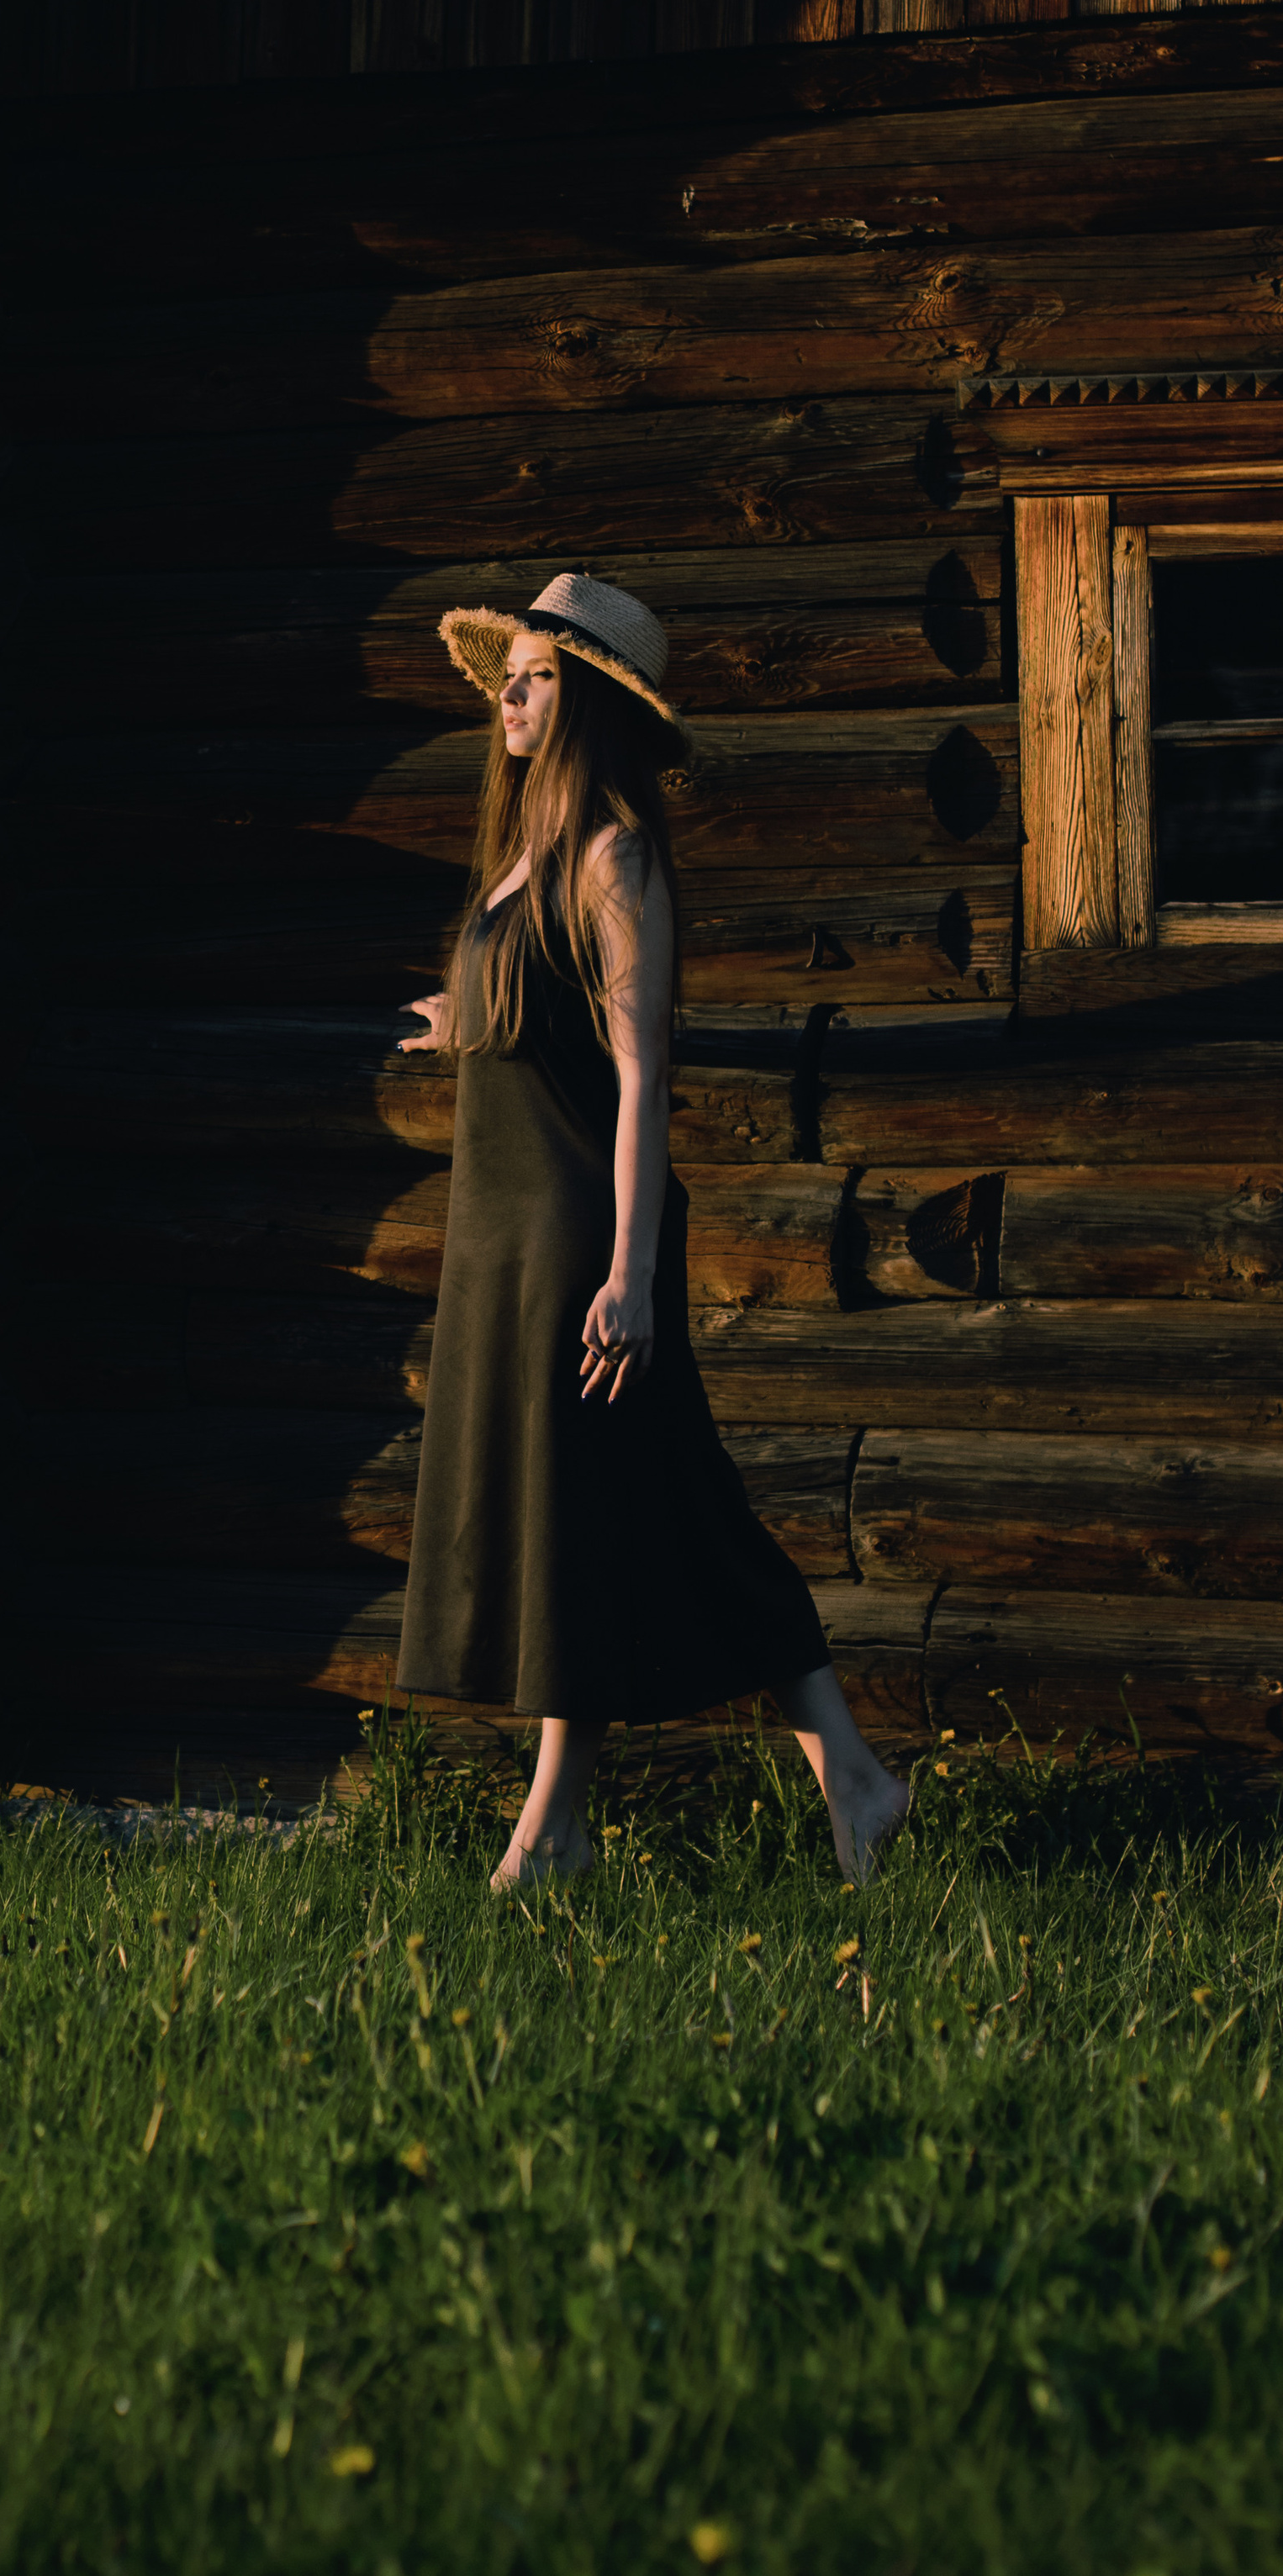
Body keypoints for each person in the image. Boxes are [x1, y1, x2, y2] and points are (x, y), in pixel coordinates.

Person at [393, 570, 911, 1890]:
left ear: (587, 704)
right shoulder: (525, 855)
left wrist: (629, 1272)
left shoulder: (615, 855)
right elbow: (546, 1014)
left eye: (535, 680)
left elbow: (640, 1072)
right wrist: (464, 1019)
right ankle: (847, 1782)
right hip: (502, 1233)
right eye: (507, 679)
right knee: (642, 1511)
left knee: (621, 1511)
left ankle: (556, 1829)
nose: (508, 700)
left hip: (580, 1236)